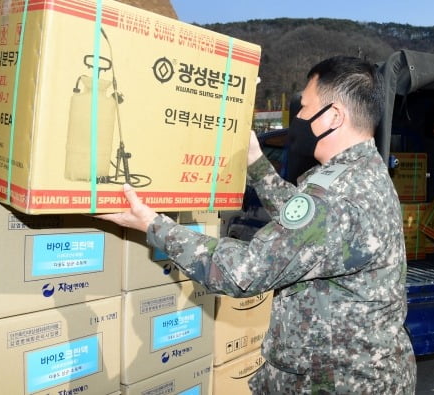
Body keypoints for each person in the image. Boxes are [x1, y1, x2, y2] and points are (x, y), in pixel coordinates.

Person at [98, 56, 416, 394]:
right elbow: (310, 231)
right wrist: (255, 161)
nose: (299, 118)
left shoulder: (336, 195)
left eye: (304, 107)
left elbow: (242, 272)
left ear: (334, 116)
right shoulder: (364, 172)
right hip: (363, 372)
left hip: (334, 382)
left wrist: (152, 224)